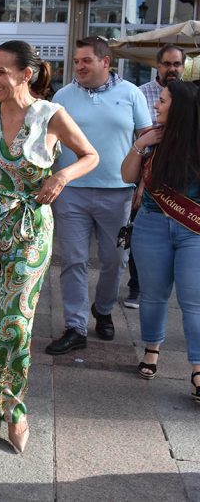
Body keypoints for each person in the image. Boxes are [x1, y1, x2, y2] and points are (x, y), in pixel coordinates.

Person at [0, 40, 98, 453]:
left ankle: (14, 411)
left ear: (25, 75)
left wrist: (61, 177)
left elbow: (90, 156)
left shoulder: (51, 115)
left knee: (14, 322)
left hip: (29, 228)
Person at [46, 37, 152, 355]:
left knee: (115, 260)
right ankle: (75, 326)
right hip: (71, 193)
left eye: (86, 60)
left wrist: (143, 185)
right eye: (77, 61)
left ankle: (103, 309)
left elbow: (146, 140)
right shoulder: (62, 96)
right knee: (73, 261)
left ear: (106, 62)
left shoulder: (132, 94)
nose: (79, 66)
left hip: (118, 193)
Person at [121, 80, 200, 400]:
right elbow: (127, 176)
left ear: (179, 108)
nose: (156, 105)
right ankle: (151, 350)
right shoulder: (152, 138)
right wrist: (140, 145)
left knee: (193, 301)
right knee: (152, 295)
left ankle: (197, 368)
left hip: (193, 229)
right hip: (151, 225)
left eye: (163, 101)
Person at [124, 44, 187, 309]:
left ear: (183, 67)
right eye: (166, 64)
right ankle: (137, 286)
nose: (172, 69)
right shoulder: (141, 95)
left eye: (177, 64)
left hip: (183, 180)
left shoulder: (191, 95)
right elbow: (137, 139)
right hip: (148, 174)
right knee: (141, 234)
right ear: (157, 66)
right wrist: (139, 184)